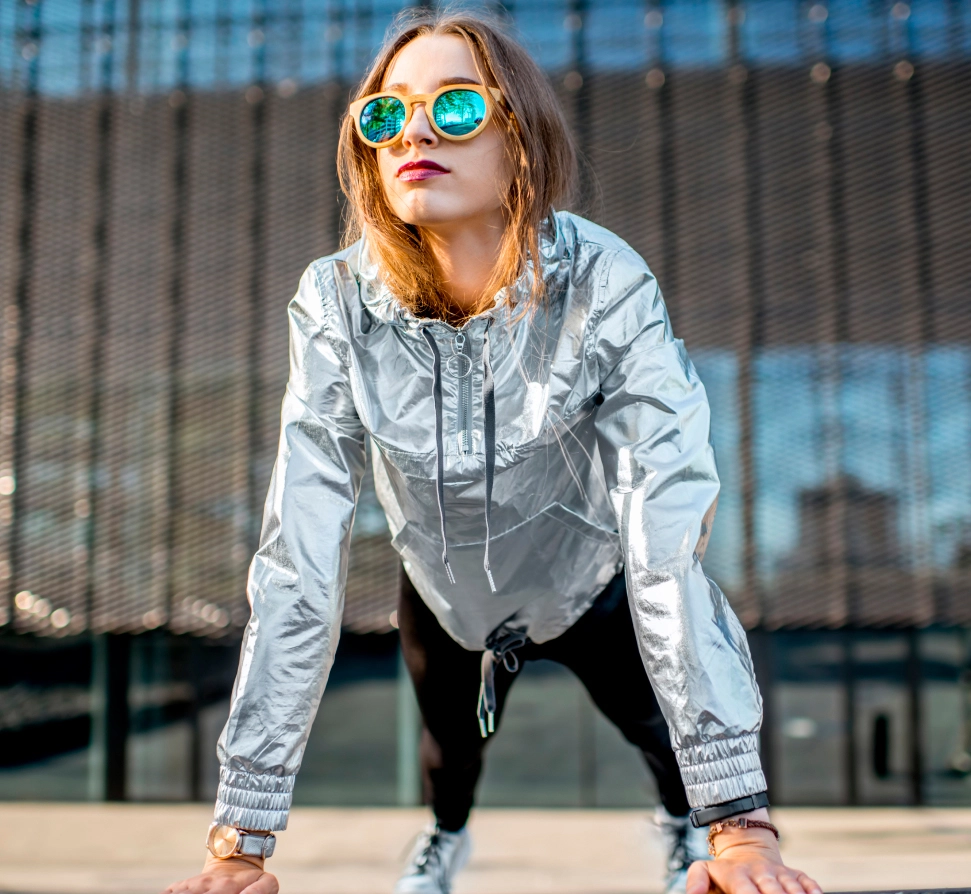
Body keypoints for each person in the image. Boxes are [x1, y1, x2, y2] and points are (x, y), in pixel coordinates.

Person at [164, 10, 824, 894]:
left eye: (458, 106)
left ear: (520, 139)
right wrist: (237, 843)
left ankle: (683, 827)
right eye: (385, 115)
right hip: (443, 595)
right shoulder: (332, 302)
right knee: (447, 754)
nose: (418, 131)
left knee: (660, 734)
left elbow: (666, 541)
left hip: (590, 583)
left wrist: (742, 829)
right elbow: (300, 558)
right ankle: (444, 841)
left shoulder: (604, 281)